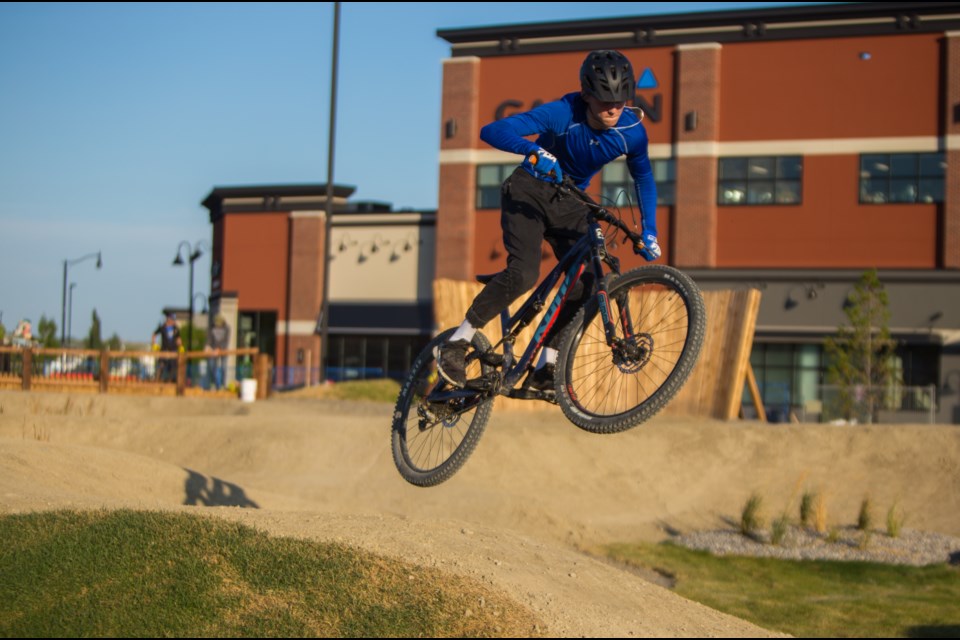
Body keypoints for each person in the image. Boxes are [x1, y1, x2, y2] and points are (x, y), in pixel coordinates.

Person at [435, 50, 661, 393]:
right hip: (528, 190)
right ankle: (456, 342)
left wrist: (649, 230)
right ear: (586, 95)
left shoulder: (632, 132)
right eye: (603, 101)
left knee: (593, 279)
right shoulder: (561, 114)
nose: (612, 108)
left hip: (570, 200)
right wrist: (533, 151)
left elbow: (643, 178)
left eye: (620, 100)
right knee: (524, 273)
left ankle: (545, 367)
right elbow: (492, 129)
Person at [152, 313, 182, 382]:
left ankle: (170, 381)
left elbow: (178, 338)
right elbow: (154, 335)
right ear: (168, 320)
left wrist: (180, 346)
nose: (173, 321)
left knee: (173, 367)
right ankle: (157, 380)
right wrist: (154, 344)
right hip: (164, 349)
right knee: (161, 365)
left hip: (173, 350)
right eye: (172, 320)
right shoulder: (162, 327)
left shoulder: (175, 328)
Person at [206, 313, 231, 390]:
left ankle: (223, 385)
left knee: (224, 367)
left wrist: (220, 348)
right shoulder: (211, 328)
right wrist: (207, 346)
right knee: (212, 366)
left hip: (223, 350)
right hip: (213, 350)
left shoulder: (227, 328)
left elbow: (226, 341)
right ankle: (214, 383)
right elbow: (209, 339)